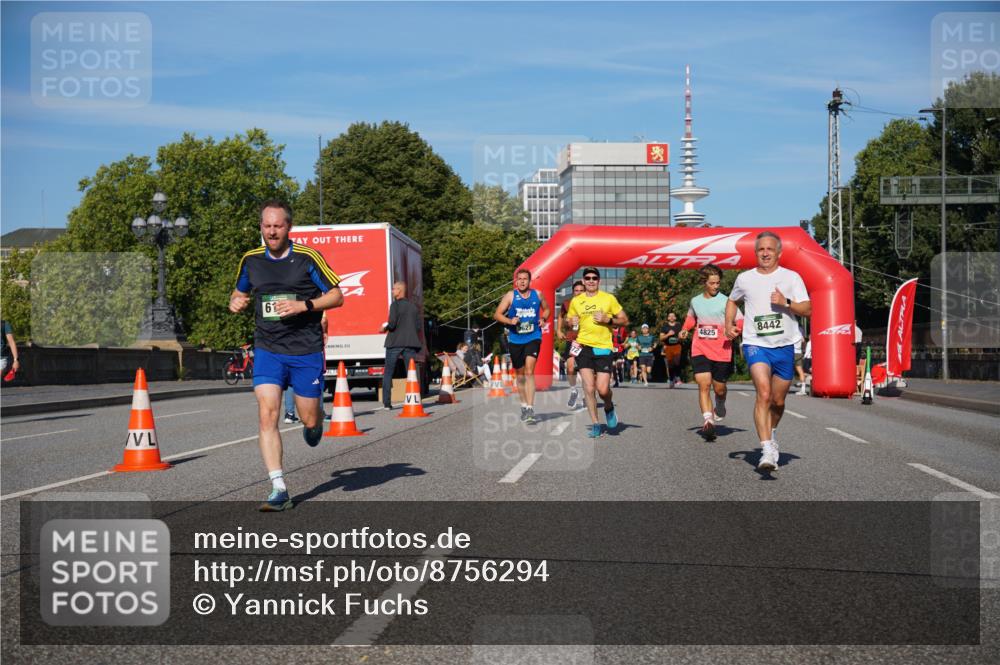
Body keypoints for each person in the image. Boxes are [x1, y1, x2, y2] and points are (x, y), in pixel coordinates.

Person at [230, 200, 344, 511]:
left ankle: (315, 422)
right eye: (267, 226)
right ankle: (278, 487)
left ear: (288, 227)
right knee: (267, 414)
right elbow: (239, 292)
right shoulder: (251, 260)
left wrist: (303, 306)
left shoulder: (307, 258)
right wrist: (236, 301)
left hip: (305, 349)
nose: (271, 231)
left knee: (308, 416)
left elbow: (337, 296)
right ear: (261, 228)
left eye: (277, 226)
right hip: (268, 348)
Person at [725, 231, 811, 471]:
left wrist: (786, 303)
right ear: (756, 253)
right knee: (763, 393)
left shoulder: (791, 278)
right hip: (756, 344)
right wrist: (728, 324)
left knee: (778, 401)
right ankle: (766, 448)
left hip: (785, 345)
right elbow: (732, 301)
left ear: (779, 253)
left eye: (770, 249)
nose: (765, 253)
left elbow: (808, 309)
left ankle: (771, 433)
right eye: (761, 249)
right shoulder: (744, 279)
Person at [679, 264, 743, 441]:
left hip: (722, 349)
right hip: (700, 347)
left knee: (719, 388)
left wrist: (734, 331)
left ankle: (720, 403)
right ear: (704, 283)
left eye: (718, 283)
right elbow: (691, 318)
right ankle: (708, 421)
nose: (716, 286)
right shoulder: (695, 301)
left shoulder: (727, 301)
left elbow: (741, 321)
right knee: (703, 384)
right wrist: (685, 329)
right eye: (712, 283)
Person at [566, 267, 629, 438]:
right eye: (588, 278)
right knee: (589, 386)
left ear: (599, 281)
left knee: (602, 390)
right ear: (584, 281)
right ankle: (595, 423)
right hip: (583, 346)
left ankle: (608, 406)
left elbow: (624, 320)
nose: (591, 280)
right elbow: (570, 322)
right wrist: (572, 322)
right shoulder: (576, 301)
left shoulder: (608, 299)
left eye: (594, 278)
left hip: (603, 347)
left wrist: (608, 319)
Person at [494, 269, 550, 424]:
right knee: (519, 374)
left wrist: (543, 318)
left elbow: (547, 309)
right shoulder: (510, 296)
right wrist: (510, 321)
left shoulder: (537, 294)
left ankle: (531, 408)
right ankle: (524, 406)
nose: (522, 281)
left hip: (533, 336)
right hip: (515, 339)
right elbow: (497, 314)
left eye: (525, 279)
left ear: (529, 281)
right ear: (516, 281)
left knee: (530, 371)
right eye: (520, 279)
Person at [380, 281, 423, 410]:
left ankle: (387, 403)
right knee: (411, 373)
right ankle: (414, 399)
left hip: (394, 343)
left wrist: (384, 328)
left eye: (394, 289)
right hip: (410, 344)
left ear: (399, 290)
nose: (392, 291)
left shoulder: (395, 305)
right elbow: (418, 327)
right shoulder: (414, 307)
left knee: (388, 372)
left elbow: (392, 324)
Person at [285, 312, 329, 423]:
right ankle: (318, 411)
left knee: (291, 382)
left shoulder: (288, 302)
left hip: (288, 345)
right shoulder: (313, 299)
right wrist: (325, 332)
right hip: (309, 345)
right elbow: (323, 321)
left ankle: (289, 414)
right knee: (316, 378)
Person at [557, 280, 586, 408]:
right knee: (570, 368)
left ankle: (587, 395)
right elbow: (561, 316)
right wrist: (558, 330)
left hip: (586, 341)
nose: (579, 293)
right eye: (576, 291)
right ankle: (574, 390)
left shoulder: (589, 304)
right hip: (571, 339)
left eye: (581, 290)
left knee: (586, 371)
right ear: (573, 292)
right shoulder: (567, 303)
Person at [659, 312, 684, 387]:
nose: (672, 317)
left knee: (677, 362)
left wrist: (681, 337)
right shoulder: (665, 326)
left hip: (677, 346)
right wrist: (668, 334)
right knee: (670, 365)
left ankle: (677, 376)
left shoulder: (679, 325)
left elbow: (683, 335)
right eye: (670, 316)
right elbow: (661, 338)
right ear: (668, 318)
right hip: (668, 346)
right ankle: (671, 379)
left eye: (673, 316)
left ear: (675, 318)